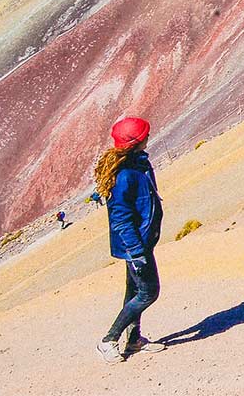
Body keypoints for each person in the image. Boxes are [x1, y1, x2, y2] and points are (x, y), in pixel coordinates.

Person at [95, 116, 167, 363]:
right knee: (149, 292)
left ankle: (134, 340)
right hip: (135, 245)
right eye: (145, 135)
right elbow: (121, 219)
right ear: (137, 141)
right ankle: (109, 340)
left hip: (142, 241)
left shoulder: (137, 163)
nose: (149, 137)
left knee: (134, 291)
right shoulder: (125, 175)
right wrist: (137, 252)